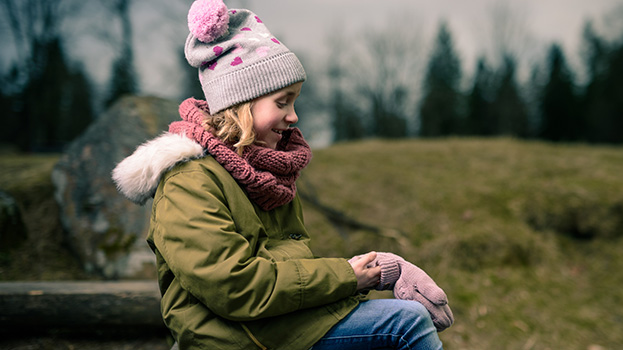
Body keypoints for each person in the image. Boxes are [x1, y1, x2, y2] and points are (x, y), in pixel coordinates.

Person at [112, 0, 453, 349]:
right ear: (242, 103)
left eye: (294, 102)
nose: (294, 117)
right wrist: (350, 276)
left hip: (279, 326)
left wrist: (380, 268)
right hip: (236, 339)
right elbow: (236, 287)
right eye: (282, 102)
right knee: (404, 324)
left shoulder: (266, 175)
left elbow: (287, 267)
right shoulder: (189, 182)